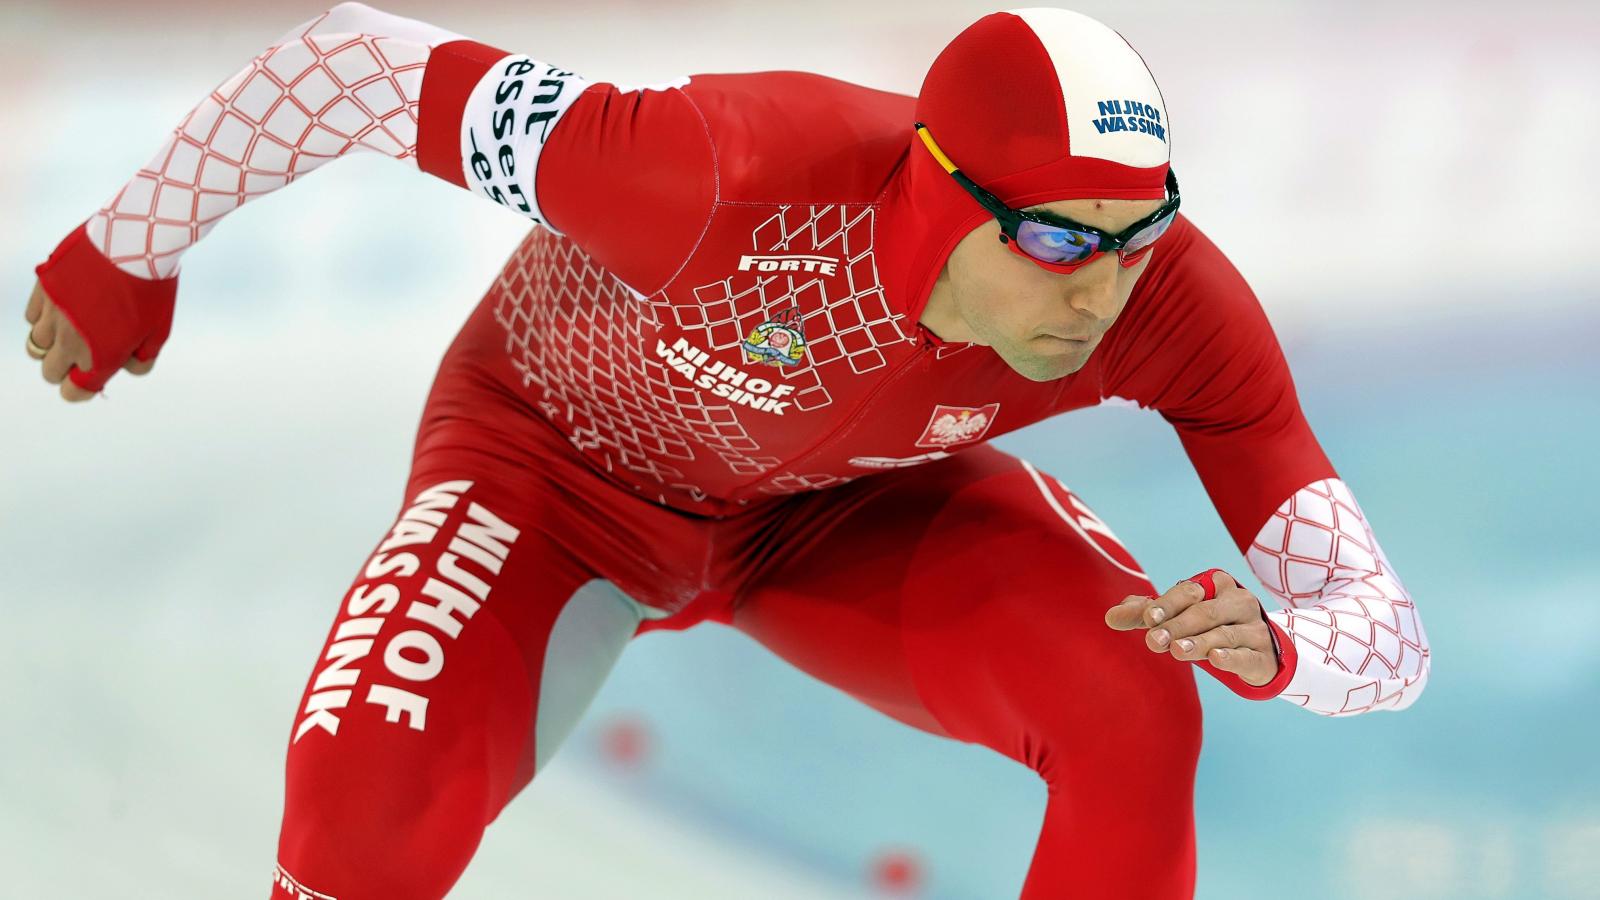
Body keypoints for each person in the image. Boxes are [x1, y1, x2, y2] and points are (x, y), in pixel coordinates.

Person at [22, 4, 1433, 897]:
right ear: (948, 199)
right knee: (359, 823)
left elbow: (1386, 633)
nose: (1102, 292)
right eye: (1061, 240)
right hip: (552, 479)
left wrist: (1285, 651)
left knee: (1136, 697)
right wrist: (125, 250)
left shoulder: (1173, 308)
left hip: (829, 510)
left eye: (1140, 236)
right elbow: (348, 66)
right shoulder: (713, 174)